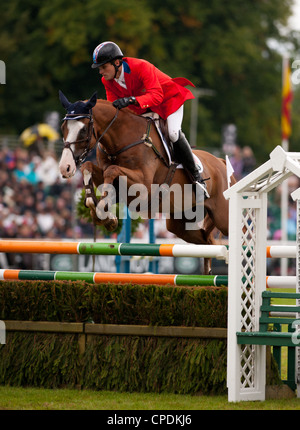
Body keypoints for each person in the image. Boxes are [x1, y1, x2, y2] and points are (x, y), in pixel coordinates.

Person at [91, 41, 209, 199]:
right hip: (144, 109)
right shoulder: (107, 81)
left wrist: (131, 100)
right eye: (99, 68)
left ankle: (197, 179)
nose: (101, 71)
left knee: (173, 133)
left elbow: (157, 95)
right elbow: (116, 110)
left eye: (104, 67)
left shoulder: (140, 67)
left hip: (169, 101)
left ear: (117, 62)